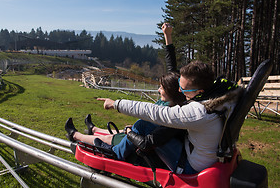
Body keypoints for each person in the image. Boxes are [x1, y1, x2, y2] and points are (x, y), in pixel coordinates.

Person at [97, 60, 242, 174]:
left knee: (143, 124)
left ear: (199, 91)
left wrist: (117, 103)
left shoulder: (200, 112)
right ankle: (117, 150)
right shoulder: (219, 94)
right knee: (146, 125)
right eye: (179, 84)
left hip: (189, 167)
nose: (179, 90)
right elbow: (176, 76)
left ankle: (114, 154)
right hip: (205, 157)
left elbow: (155, 112)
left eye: (183, 89)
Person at [65, 72, 186, 153]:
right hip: (142, 135)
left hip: (140, 141)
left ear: (170, 90)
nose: (158, 90)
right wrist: (167, 38)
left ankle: (75, 135)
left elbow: (141, 111)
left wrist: (130, 131)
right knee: (121, 133)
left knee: (109, 138)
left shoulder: (169, 114)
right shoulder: (173, 105)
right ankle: (94, 130)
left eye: (162, 88)